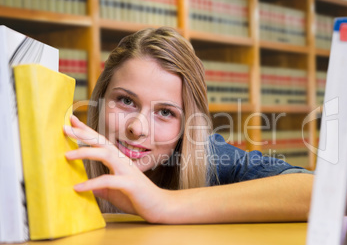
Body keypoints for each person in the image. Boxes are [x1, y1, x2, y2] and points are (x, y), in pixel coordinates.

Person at [64, 27, 314, 224]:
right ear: (100, 98)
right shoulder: (64, 152)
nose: (137, 128)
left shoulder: (209, 158)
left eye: (165, 112)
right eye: (126, 100)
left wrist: (163, 203)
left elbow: (319, 192)